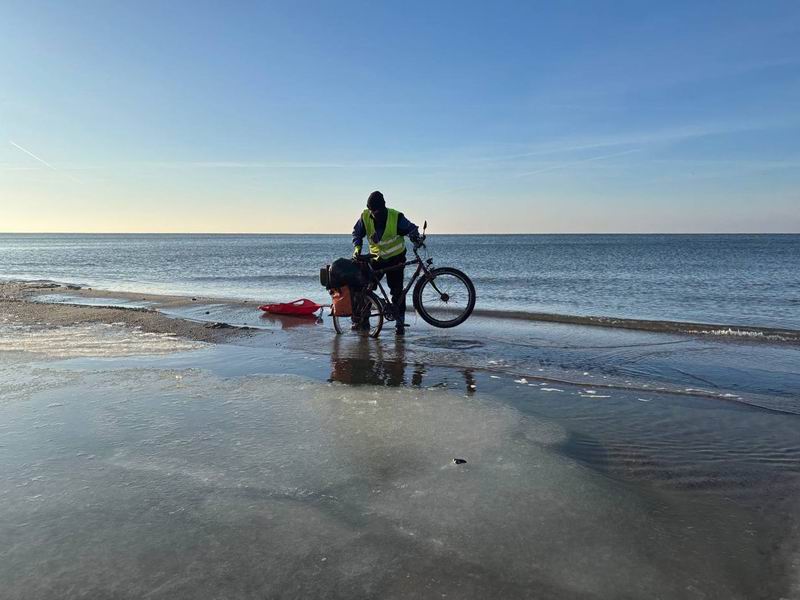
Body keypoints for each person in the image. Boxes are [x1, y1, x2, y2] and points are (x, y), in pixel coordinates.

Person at [352, 190, 420, 335]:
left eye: (377, 210)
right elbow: (357, 233)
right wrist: (357, 248)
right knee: (366, 289)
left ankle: (399, 324)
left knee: (397, 292)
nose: (374, 213)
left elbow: (411, 228)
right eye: (372, 210)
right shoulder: (365, 217)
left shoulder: (396, 217)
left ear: (384, 207)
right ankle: (363, 322)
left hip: (396, 259)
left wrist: (415, 236)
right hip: (376, 259)